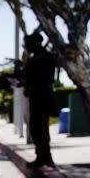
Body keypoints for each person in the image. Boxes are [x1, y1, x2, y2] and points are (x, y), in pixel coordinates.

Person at [20, 30, 56, 168]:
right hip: (36, 95)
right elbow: (26, 75)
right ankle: (42, 155)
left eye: (28, 44)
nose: (26, 46)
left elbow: (44, 77)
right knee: (36, 127)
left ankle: (45, 157)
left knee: (40, 126)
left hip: (43, 95)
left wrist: (29, 79)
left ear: (36, 43)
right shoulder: (34, 58)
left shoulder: (46, 57)